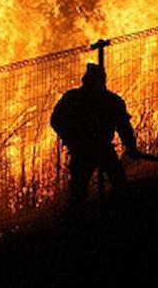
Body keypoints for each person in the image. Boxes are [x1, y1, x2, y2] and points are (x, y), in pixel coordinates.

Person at [50, 63, 140, 206]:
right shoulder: (110, 100)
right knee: (118, 183)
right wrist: (131, 147)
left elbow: (56, 120)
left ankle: (82, 215)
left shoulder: (73, 98)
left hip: (85, 150)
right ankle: (115, 211)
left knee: (79, 192)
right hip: (97, 149)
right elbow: (123, 126)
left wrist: (70, 139)